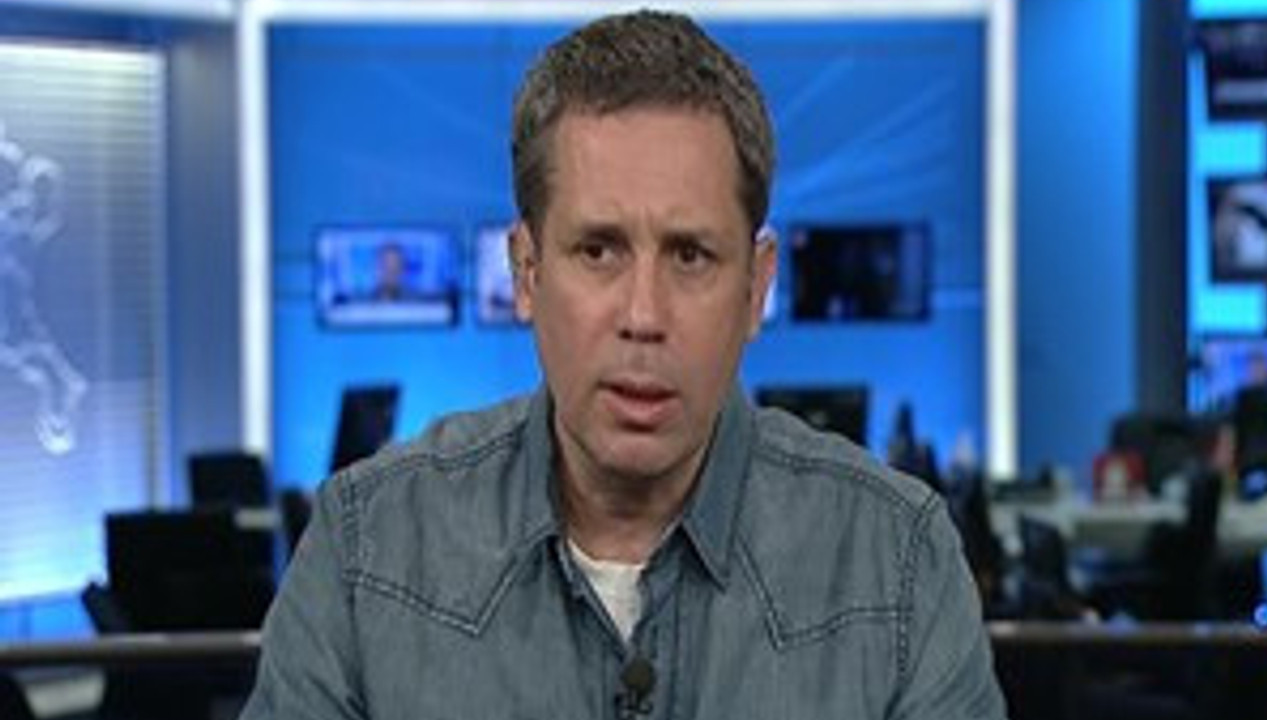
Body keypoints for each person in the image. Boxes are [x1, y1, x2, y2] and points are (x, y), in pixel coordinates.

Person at [240, 10, 1007, 719]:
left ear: (756, 286)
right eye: (598, 250)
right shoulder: (365, 551)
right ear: (527, 272)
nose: (644, 315)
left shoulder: (898, 562)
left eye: (691, 255)